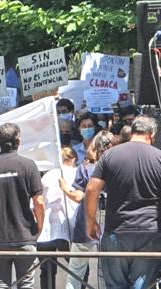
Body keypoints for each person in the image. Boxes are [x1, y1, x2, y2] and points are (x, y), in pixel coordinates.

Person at [86, 116, 161, 288]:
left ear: (132, 130)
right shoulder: (159, 157)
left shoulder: (110, 155)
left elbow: (91, 189)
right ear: (152, 134)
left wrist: (91, 221)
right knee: (143, 285)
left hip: (116, 230)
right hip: (150, 232)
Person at [0, 122, 45, 289]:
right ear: (18, 140)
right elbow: (39, 202)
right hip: (25, 235)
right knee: (26, 285)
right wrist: (39, 227)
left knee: (1, 284)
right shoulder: (28, 165)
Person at [60, 132, 113, 289]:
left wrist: (65, 188)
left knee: (75, 272)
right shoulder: (117, 168)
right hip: (109, 225)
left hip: (85, 224)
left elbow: (78, 196)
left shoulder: (85, 168)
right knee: (105, 272)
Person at [36, 146, 78, 289]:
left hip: (46, 229)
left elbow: (38, 200)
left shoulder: (48, 175)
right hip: (69, 227)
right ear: (73, 159)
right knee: (78, 269)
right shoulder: (77, 172)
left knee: (46, 271)